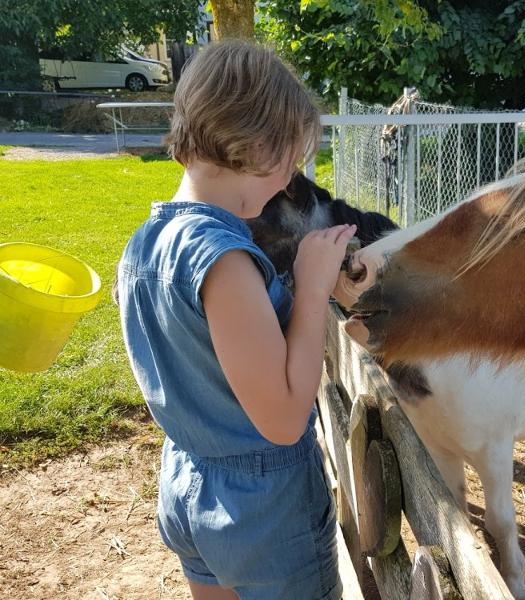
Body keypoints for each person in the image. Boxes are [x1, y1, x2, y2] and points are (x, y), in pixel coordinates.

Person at [116, 39, 352, 600]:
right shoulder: (224, 262)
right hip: (264, 513)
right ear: (255, 146)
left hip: (188, 481)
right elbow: (285, 419)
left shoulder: (143, 247)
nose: (287, 181)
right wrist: (315, 286)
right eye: (290, 162)